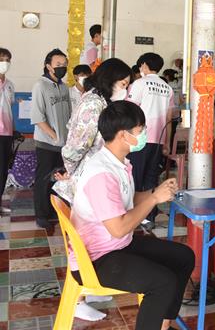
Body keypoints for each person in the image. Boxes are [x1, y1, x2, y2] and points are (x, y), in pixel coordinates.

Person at [70, 101, 194, 330]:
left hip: (115, 246)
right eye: (140, 130)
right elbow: (118, 228)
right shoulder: (102, 173)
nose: (145, 134)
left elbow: (127, 198)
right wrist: (154, 200)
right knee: (162, 283)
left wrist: (155, 193)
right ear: (123, 135)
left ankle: (163, 325)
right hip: (97, 259)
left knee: (183, 256)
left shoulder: (117, 163)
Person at [55, 58, 131, 321]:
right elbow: (75, 145)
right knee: (84, 236)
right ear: (110, 80)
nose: (125, 89)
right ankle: (79, 298)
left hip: (98, 175)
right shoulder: (92, 103)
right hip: (88, 178)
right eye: (123, 84)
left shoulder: (102, 101)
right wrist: (75, 174)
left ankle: (93, 283)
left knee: (97, 234)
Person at [127, 53, 174, 228]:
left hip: (139, 139)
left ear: (144, 65)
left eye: (141, 66)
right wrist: (167, 142)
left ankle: (134, 215)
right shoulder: (167, 88)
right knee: (151, 178)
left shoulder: (139, 84)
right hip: (159, 140)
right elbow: (169, 118)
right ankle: (149, 217)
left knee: (135, 177)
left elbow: (130, 110)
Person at [31, 48, 71, 229]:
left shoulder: (64, 87)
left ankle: (54, 208)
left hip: (63, 144)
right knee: (44, 179)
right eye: (58, 65)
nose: (62, 67)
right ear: (48, 66)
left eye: (64, 64)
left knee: (58, 178)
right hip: (47, 143)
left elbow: (69, 114)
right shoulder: (40, 85)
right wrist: (54, 136)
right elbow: (38, 117)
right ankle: (41, 214)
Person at [0, 48, 14, 214]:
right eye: (2, 58)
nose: (5, 62)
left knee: (3, 170)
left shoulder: (10, 85)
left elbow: (10, 109)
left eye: (7, 59)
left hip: (7, 134)